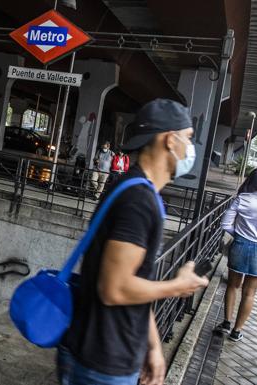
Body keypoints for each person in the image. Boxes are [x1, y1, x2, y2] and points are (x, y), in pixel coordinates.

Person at [60, 99, 209, 385]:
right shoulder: (139, 201)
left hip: (105, 353)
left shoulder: (129, 187)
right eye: (188, 139)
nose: (191, 149)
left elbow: (134, 280)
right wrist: (177, 286)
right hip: (104, 363)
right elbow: (114, 289)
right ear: (169, 140)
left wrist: (152, 345)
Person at [214, 168, 257, 342]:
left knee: (232, 286)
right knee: (250, 293)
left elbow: (225, 224)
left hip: (240, 246)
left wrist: (239, 234)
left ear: (250, 182)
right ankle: (237, 331)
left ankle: (226, 323)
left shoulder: (242, 199)